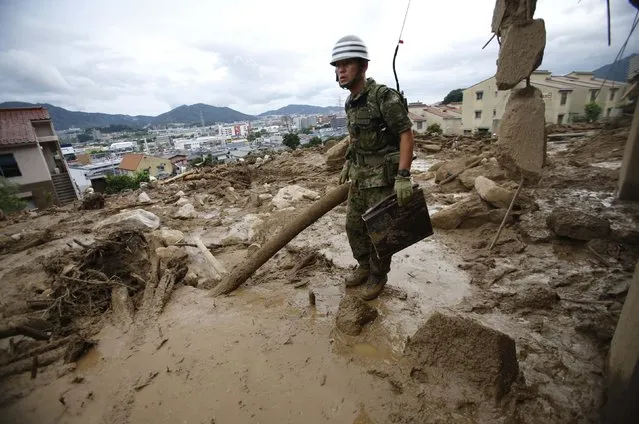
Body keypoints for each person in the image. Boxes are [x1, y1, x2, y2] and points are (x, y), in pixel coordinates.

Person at [330, 34, 415, 300]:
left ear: (363, 67)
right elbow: (356, 137)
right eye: (337, 65)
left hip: (383, 179)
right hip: (360, 177)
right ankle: (365, 266)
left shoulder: (383, 97)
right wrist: (348, 160)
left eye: (347, 64)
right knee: (353, 227)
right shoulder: (350, 103)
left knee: (381, 231)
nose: (340, 70)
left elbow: (406, 134)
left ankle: (378, 275)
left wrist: (403, 175)